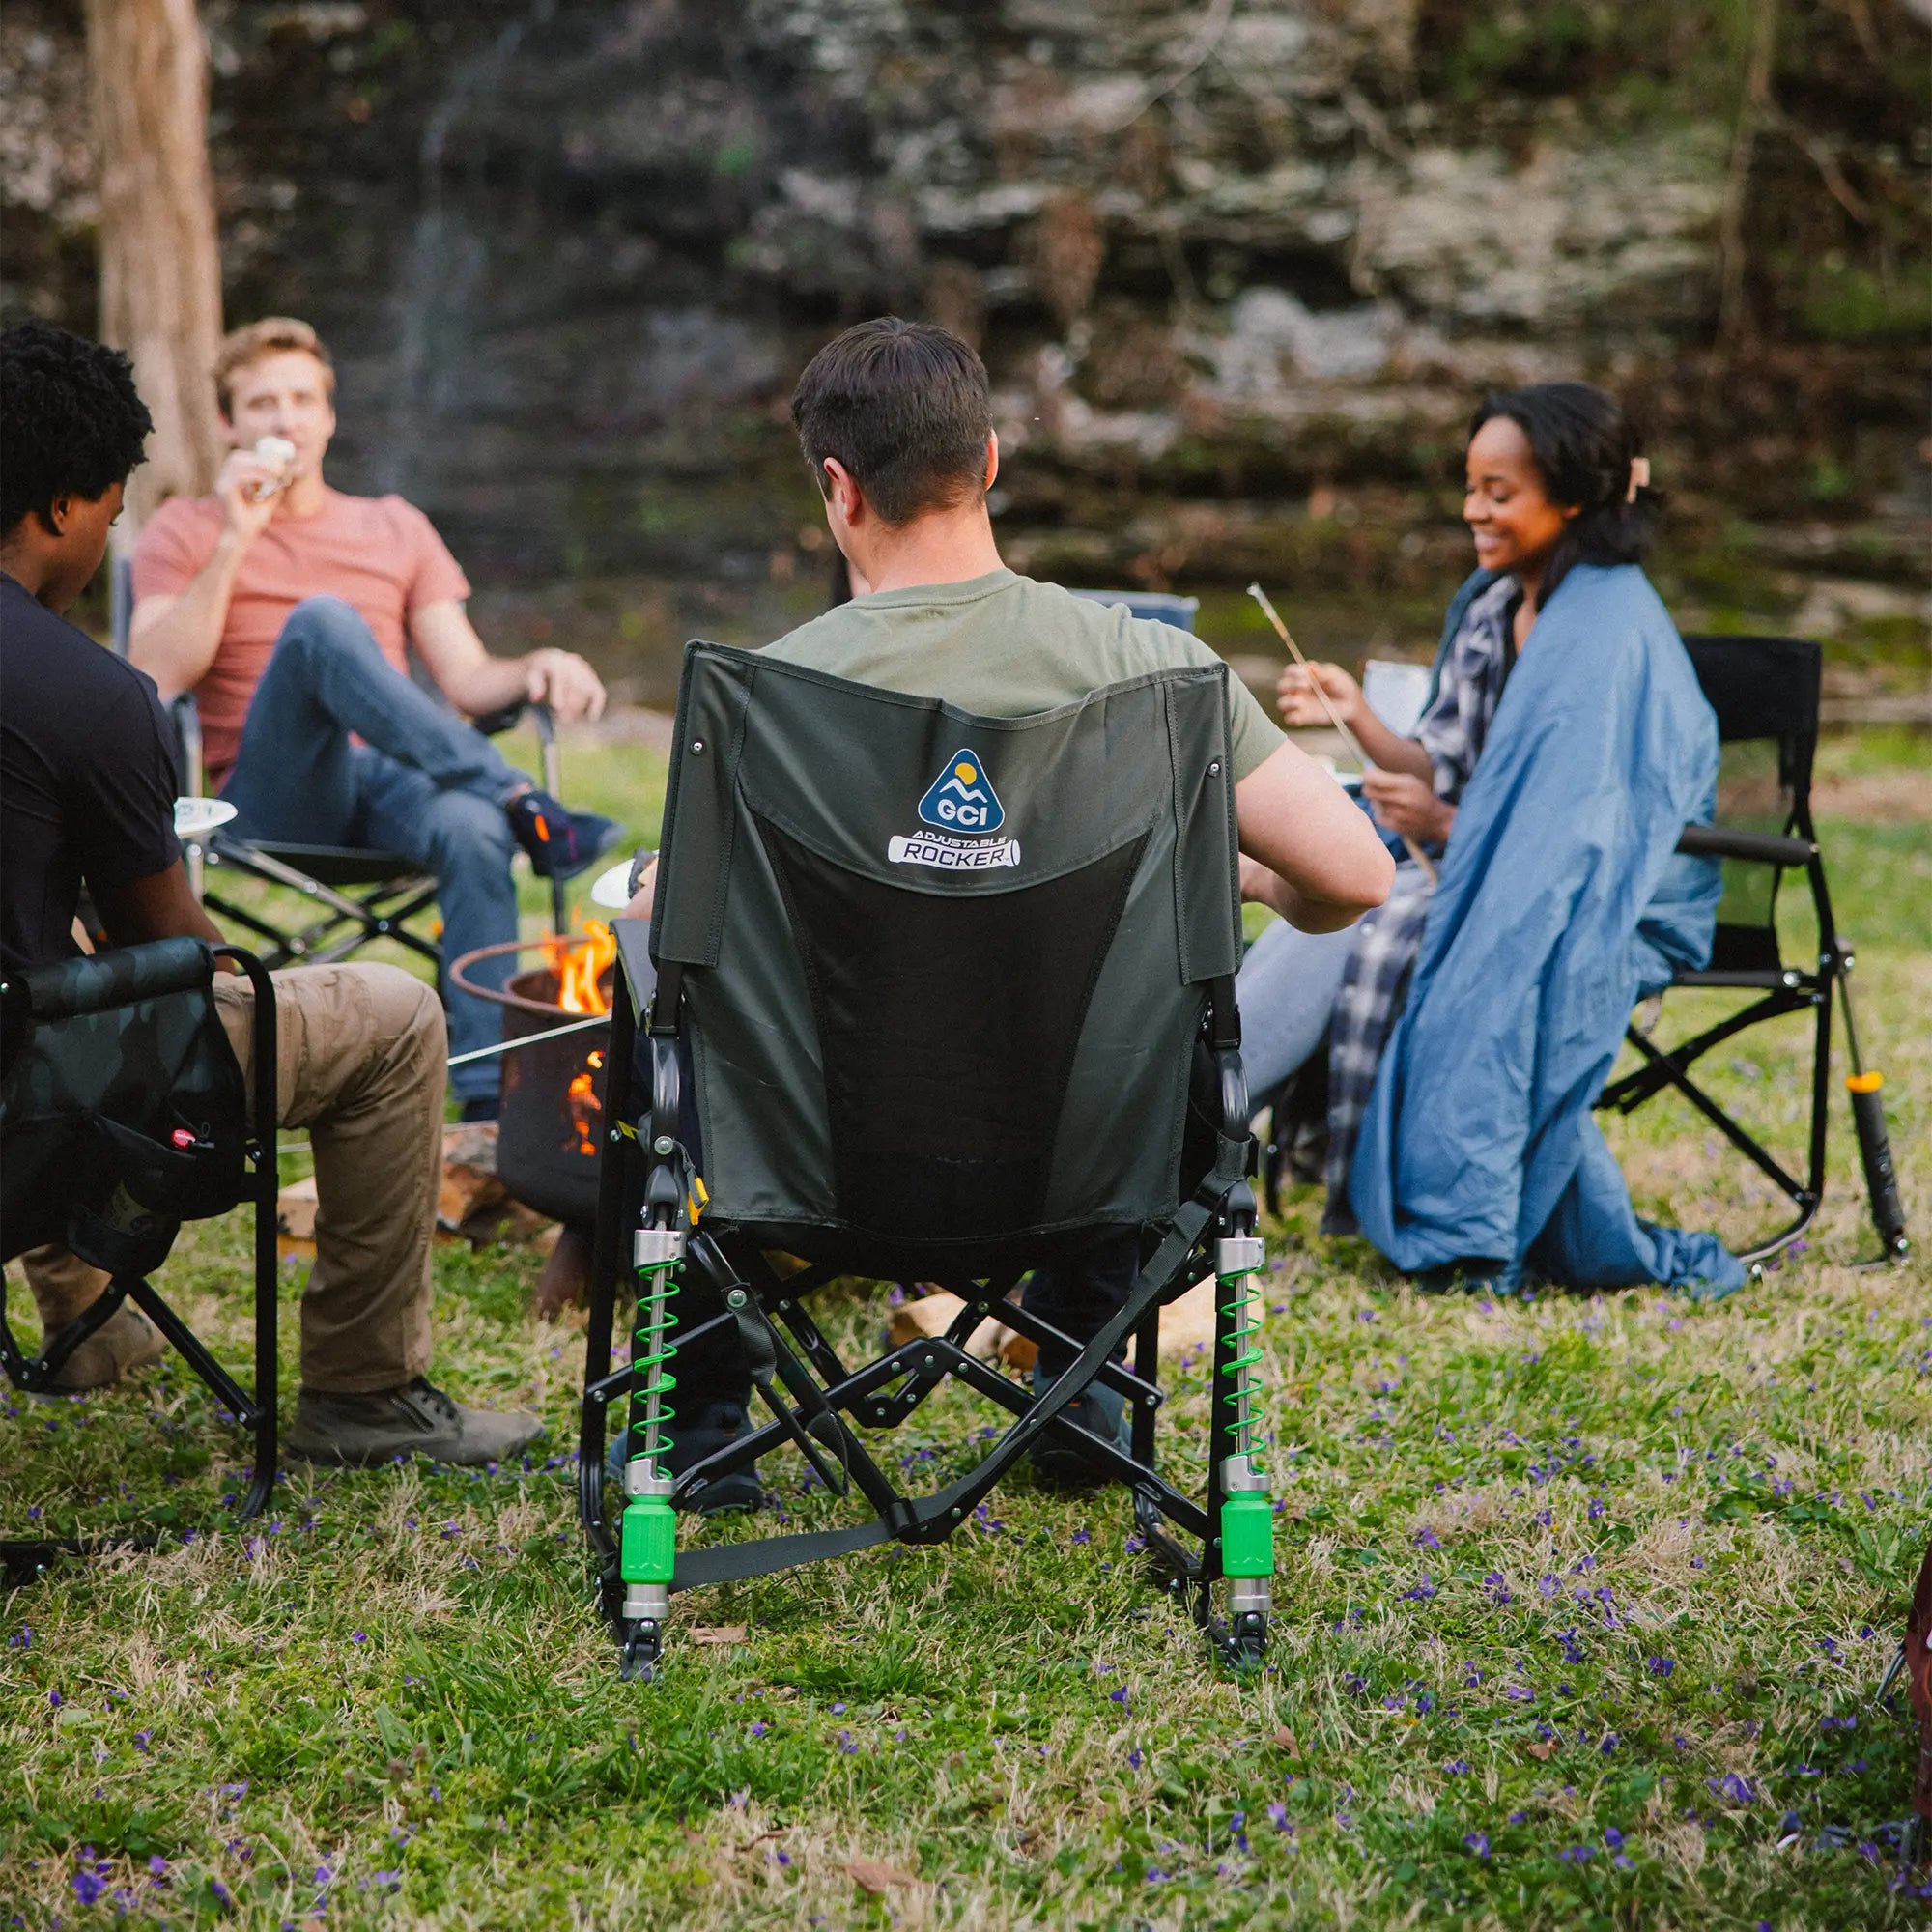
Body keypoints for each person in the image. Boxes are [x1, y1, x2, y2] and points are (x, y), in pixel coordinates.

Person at [621, 317, 1394, 1502]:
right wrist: (1229, 873)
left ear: (837, 487)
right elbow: (1354, 875)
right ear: (988, 461)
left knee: (655, 991)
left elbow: (678, 926)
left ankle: (704, 1432)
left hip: (827, 1182)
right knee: (1146, 1055)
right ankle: (1078, 1391)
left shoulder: (769, 697)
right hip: (1093, 1175)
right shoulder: (1154, 679)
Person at [0, 321, 543, 1464]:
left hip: (367, 801)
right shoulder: (92, 693)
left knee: (448, 814)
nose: (108, 529)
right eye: (106, 505)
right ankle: (365, 1387)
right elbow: (186, 963)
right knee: (392, 1018)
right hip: (29, 1085)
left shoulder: (391, 526)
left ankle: (87, 1332)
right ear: (59, 509)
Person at [1240, 382, 1739, 1296]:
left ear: (1576, 495)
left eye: (1498, 492)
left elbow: (1588, 837)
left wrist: (1442, 827)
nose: (1474, 509)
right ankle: (1191, 1124)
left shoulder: (1603, 634)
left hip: (1606, 900)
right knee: (1334, 889)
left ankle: (1187, 1131)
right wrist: (1361, 721)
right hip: (1473, 864)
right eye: (1471, 486)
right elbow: (1442, 762)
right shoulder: (1491, 604)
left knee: (1367, 914)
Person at [126, 317, 620, 1120]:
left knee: (468, 824)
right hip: (278, 794)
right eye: (261, 404)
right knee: (322, 623)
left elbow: (466, 677)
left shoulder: (395, 525)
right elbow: (152, 675)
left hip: (399, 780)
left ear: (329, 414)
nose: (285, 420)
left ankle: (490, 1108)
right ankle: (522, 798)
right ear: (228, 424)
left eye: (301, 399)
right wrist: (235, 537)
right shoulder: (186, 528)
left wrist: (536, 666)